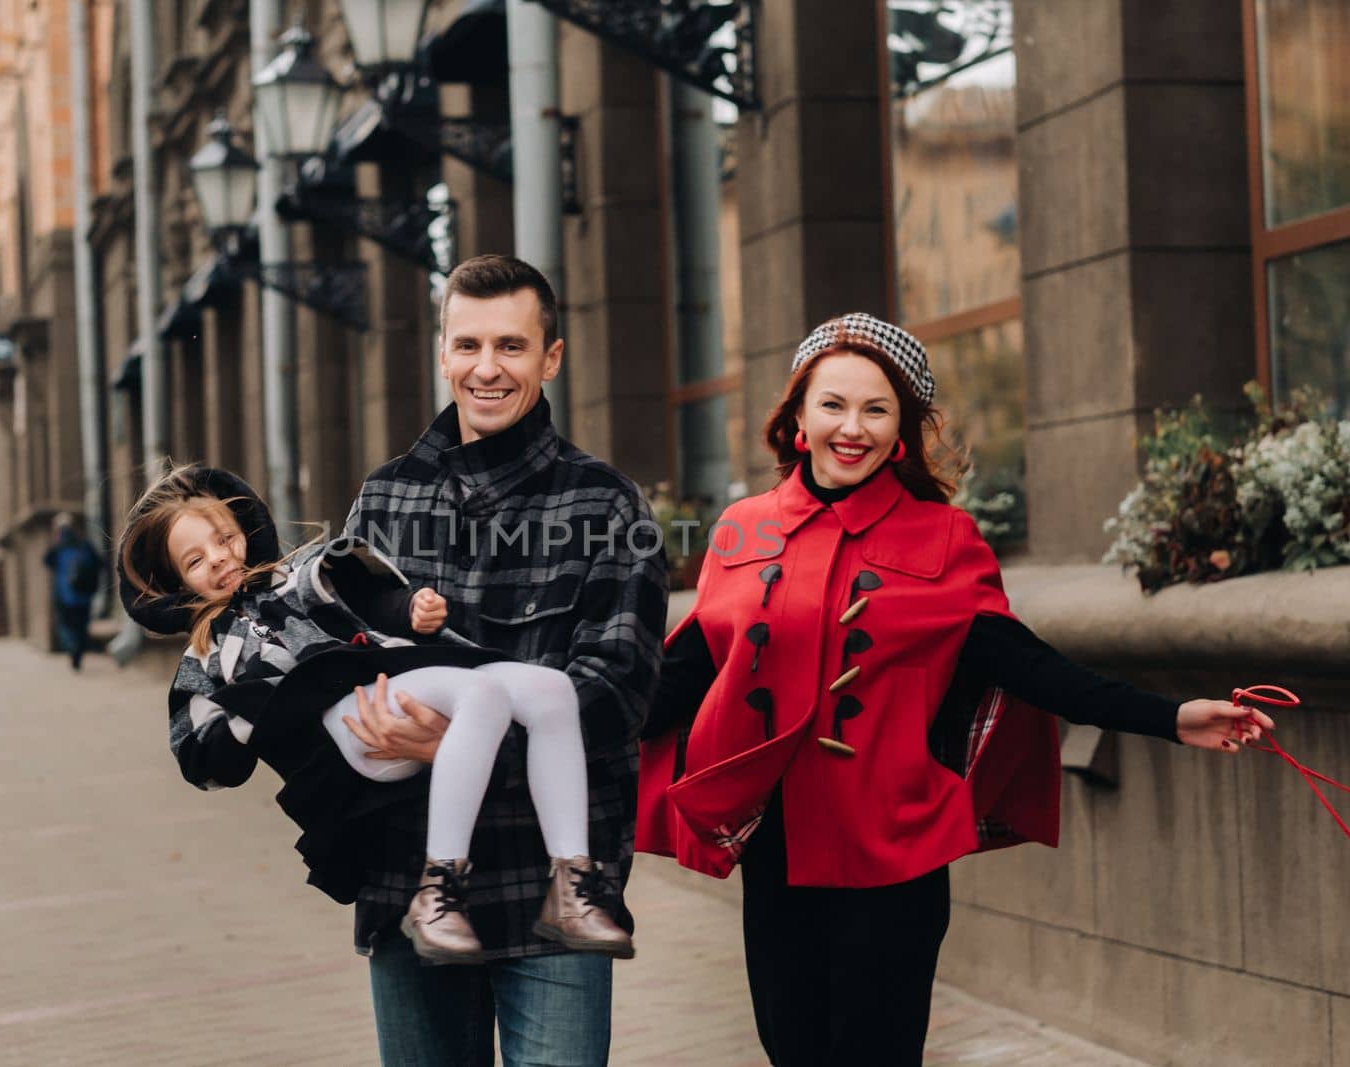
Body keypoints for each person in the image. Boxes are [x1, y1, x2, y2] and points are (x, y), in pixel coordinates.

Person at [635, 312, 1276, 1067]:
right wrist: (544, 721)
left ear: (902, 429)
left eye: (877, 409)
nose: (853, 427)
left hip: (896, 857)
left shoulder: (945, 538)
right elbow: (685, 674)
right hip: (777, 858)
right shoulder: (743, 532)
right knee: (793, 1049)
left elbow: (1032, 667)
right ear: (798, 419)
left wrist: (1172, 716)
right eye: (833, 404)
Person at [339, 254, 670, 1066]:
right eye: (469, 345)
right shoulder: (383, 501)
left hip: (547, 897)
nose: (487, 369)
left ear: (551, 358)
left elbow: (616, 693)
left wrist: (456, 746)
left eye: (513, 347)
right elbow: (332, 660)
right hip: (405, 882)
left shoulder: (606, 504)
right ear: (443, 351)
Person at [118, 464, 634, 964]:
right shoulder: (209, 652)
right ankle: (439, 892)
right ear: (177, 584)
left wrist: (413, 610)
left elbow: (371, 599)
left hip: (394, 677)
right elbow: (199, 757)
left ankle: (572, 884)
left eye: (224, 539)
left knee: (550, 689)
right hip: (353, 725)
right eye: (194, 561)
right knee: (480, 695)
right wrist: (255, 714)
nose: (218, 559)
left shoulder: (302, 574)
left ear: (245, 528)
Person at [43, 514, 102, 670]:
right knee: (82, 626)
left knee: (66, 626)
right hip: (84, 595)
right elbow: (100, 563)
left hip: (65, 596)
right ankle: (79, 651)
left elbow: (47, 561)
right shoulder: (85, 545)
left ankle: (73, 649)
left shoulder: (57, 548)